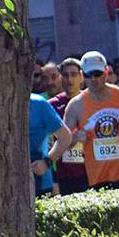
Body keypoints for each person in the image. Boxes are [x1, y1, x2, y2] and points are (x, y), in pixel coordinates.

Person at [53, 51, 119, 190]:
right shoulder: (76, 105)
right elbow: (63, 143)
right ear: (83, 76)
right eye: (89, 75)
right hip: (97, 177)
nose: (94, 79)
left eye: (98, 74)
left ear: (106, 72)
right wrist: (75, 138)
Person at [25, 64, 65, 197]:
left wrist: (47, 162)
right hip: (6, 183)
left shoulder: (38, 103)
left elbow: (66, 137)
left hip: (39, 181)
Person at [50, 57, 89, 195]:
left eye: (73, 74)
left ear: (81, 77)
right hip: (64, 173)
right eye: (65, 75)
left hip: (90, 169)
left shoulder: (92, 100)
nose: (69, 79)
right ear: (60, 78)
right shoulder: (52, 105)